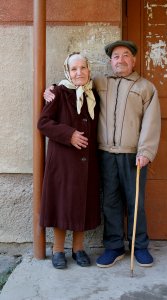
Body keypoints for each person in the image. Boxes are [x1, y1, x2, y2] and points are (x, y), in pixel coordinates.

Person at [44, 40, 161, 268]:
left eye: (126, 55)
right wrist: (50, 88)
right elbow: (73, 84)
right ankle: (114, 246)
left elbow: (151, 122)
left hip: (132, 155)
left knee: (135, 201)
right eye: (116, 56)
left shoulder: (146, 87)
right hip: (106, 154)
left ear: (133, 60)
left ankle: (139, 246)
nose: (121, 60)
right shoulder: (99, 82)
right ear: (111, 62)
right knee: (110, 202)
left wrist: (146, 151)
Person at [37, 52, 101, 270]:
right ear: (68, 71)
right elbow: (43, 123)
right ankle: (57, 250)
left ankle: (78, 249)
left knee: (81, 204)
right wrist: (69, 134)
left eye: (83, 68)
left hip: (87, 163)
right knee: (62, 204)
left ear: (89, 70)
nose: (78, 73)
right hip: (63, 163)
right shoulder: (58, 92)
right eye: (74, 69)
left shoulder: (94, 94)